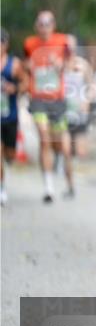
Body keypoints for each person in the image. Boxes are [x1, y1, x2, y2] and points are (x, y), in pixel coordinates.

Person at [23, 11, 74, 202]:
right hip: (38, 99)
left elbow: (70, 66)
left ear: (54, 25)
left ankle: (69, 182)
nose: (44, 27)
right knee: (44, 139)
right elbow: (25, 65)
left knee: (62, 147)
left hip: (57, 100)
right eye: (41, 24)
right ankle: (48, 187)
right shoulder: (30, 44)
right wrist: (28, 67)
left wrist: (59, 64)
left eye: (48, 23)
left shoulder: (62, 41)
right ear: (36, 26)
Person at [1, 29, 26, 206]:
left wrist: (15, 89)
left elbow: (26, 83)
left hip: (10, 116)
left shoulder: (15, 64)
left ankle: (9, 159)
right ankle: (2, 188)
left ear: (6, 44)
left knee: (10, 155)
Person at [64, 35, 95, 158]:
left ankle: (76, 165)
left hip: (79, 111)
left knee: (81, 150)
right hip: (63, 111)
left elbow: (92, 87)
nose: (68, 49)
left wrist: (87, 101)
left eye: (71, 46)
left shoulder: (83, 65)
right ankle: (63, 165)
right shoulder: (59, 65)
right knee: (65, 148)